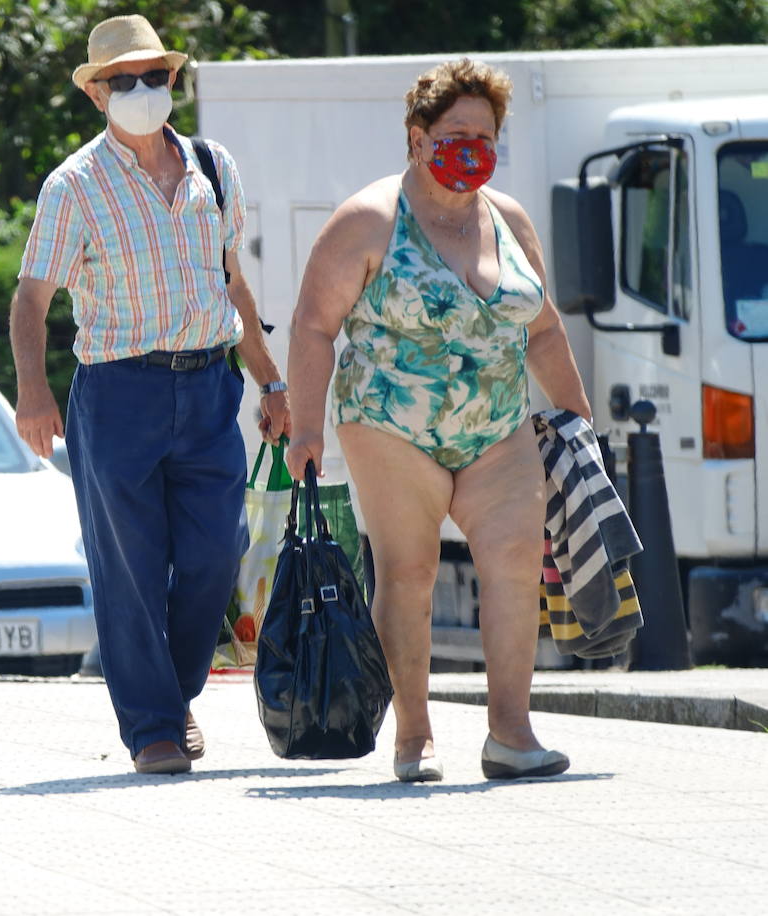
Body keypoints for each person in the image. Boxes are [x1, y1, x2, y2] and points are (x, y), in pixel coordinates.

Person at [285, 58, 591, 782]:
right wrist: (306, 429)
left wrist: (577, 419)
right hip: (392, 423)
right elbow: (311, 328)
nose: (473, 148)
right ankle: (414, 737)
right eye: (457, 132)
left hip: (498, 425)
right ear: (418, 137)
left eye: (485, 135)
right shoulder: (367, 220)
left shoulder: (508, 220)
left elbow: (542, 328)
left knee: (516, 562)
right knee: (410, 569)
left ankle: (511, 734)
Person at [10, 14, 289, 775]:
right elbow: (30, 299)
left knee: (212, 554)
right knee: (129, 564)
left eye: (154, 76)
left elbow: (233, 282)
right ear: (97, 93)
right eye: (123, 80)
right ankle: (154, 730)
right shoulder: (73, 184)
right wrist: (32, 393)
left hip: (208, 386)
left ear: (173, 81)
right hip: (117, 392)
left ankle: (176, 691)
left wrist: (272, 380)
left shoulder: (211, 164)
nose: (142, 91)